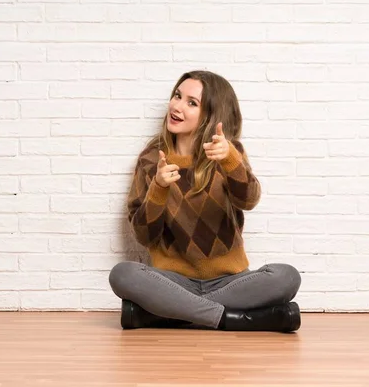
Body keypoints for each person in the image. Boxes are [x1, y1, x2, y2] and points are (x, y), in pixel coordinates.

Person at [109, 70, 302, 332]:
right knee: (122, 274)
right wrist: (159, 188)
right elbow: (144, 235)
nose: (177, 106)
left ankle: (163, 315)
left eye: (191, 102)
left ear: (211, 115)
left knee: (287, 276)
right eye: (177, 96)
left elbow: (249, 199)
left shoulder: (227, 154)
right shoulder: (151, 160)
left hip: (230, 281)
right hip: (172, 282)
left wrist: (230, 160)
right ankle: (230, 319)